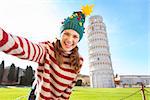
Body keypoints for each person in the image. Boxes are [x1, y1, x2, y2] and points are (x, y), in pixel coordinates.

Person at [0, 4, 93, 100]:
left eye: (75, 36)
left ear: (79, 39)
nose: (69, 40)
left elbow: (67, 91)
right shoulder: (47, 49)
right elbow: (25, 48)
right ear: (61, 34)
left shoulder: (79, 61)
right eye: (66, 34)